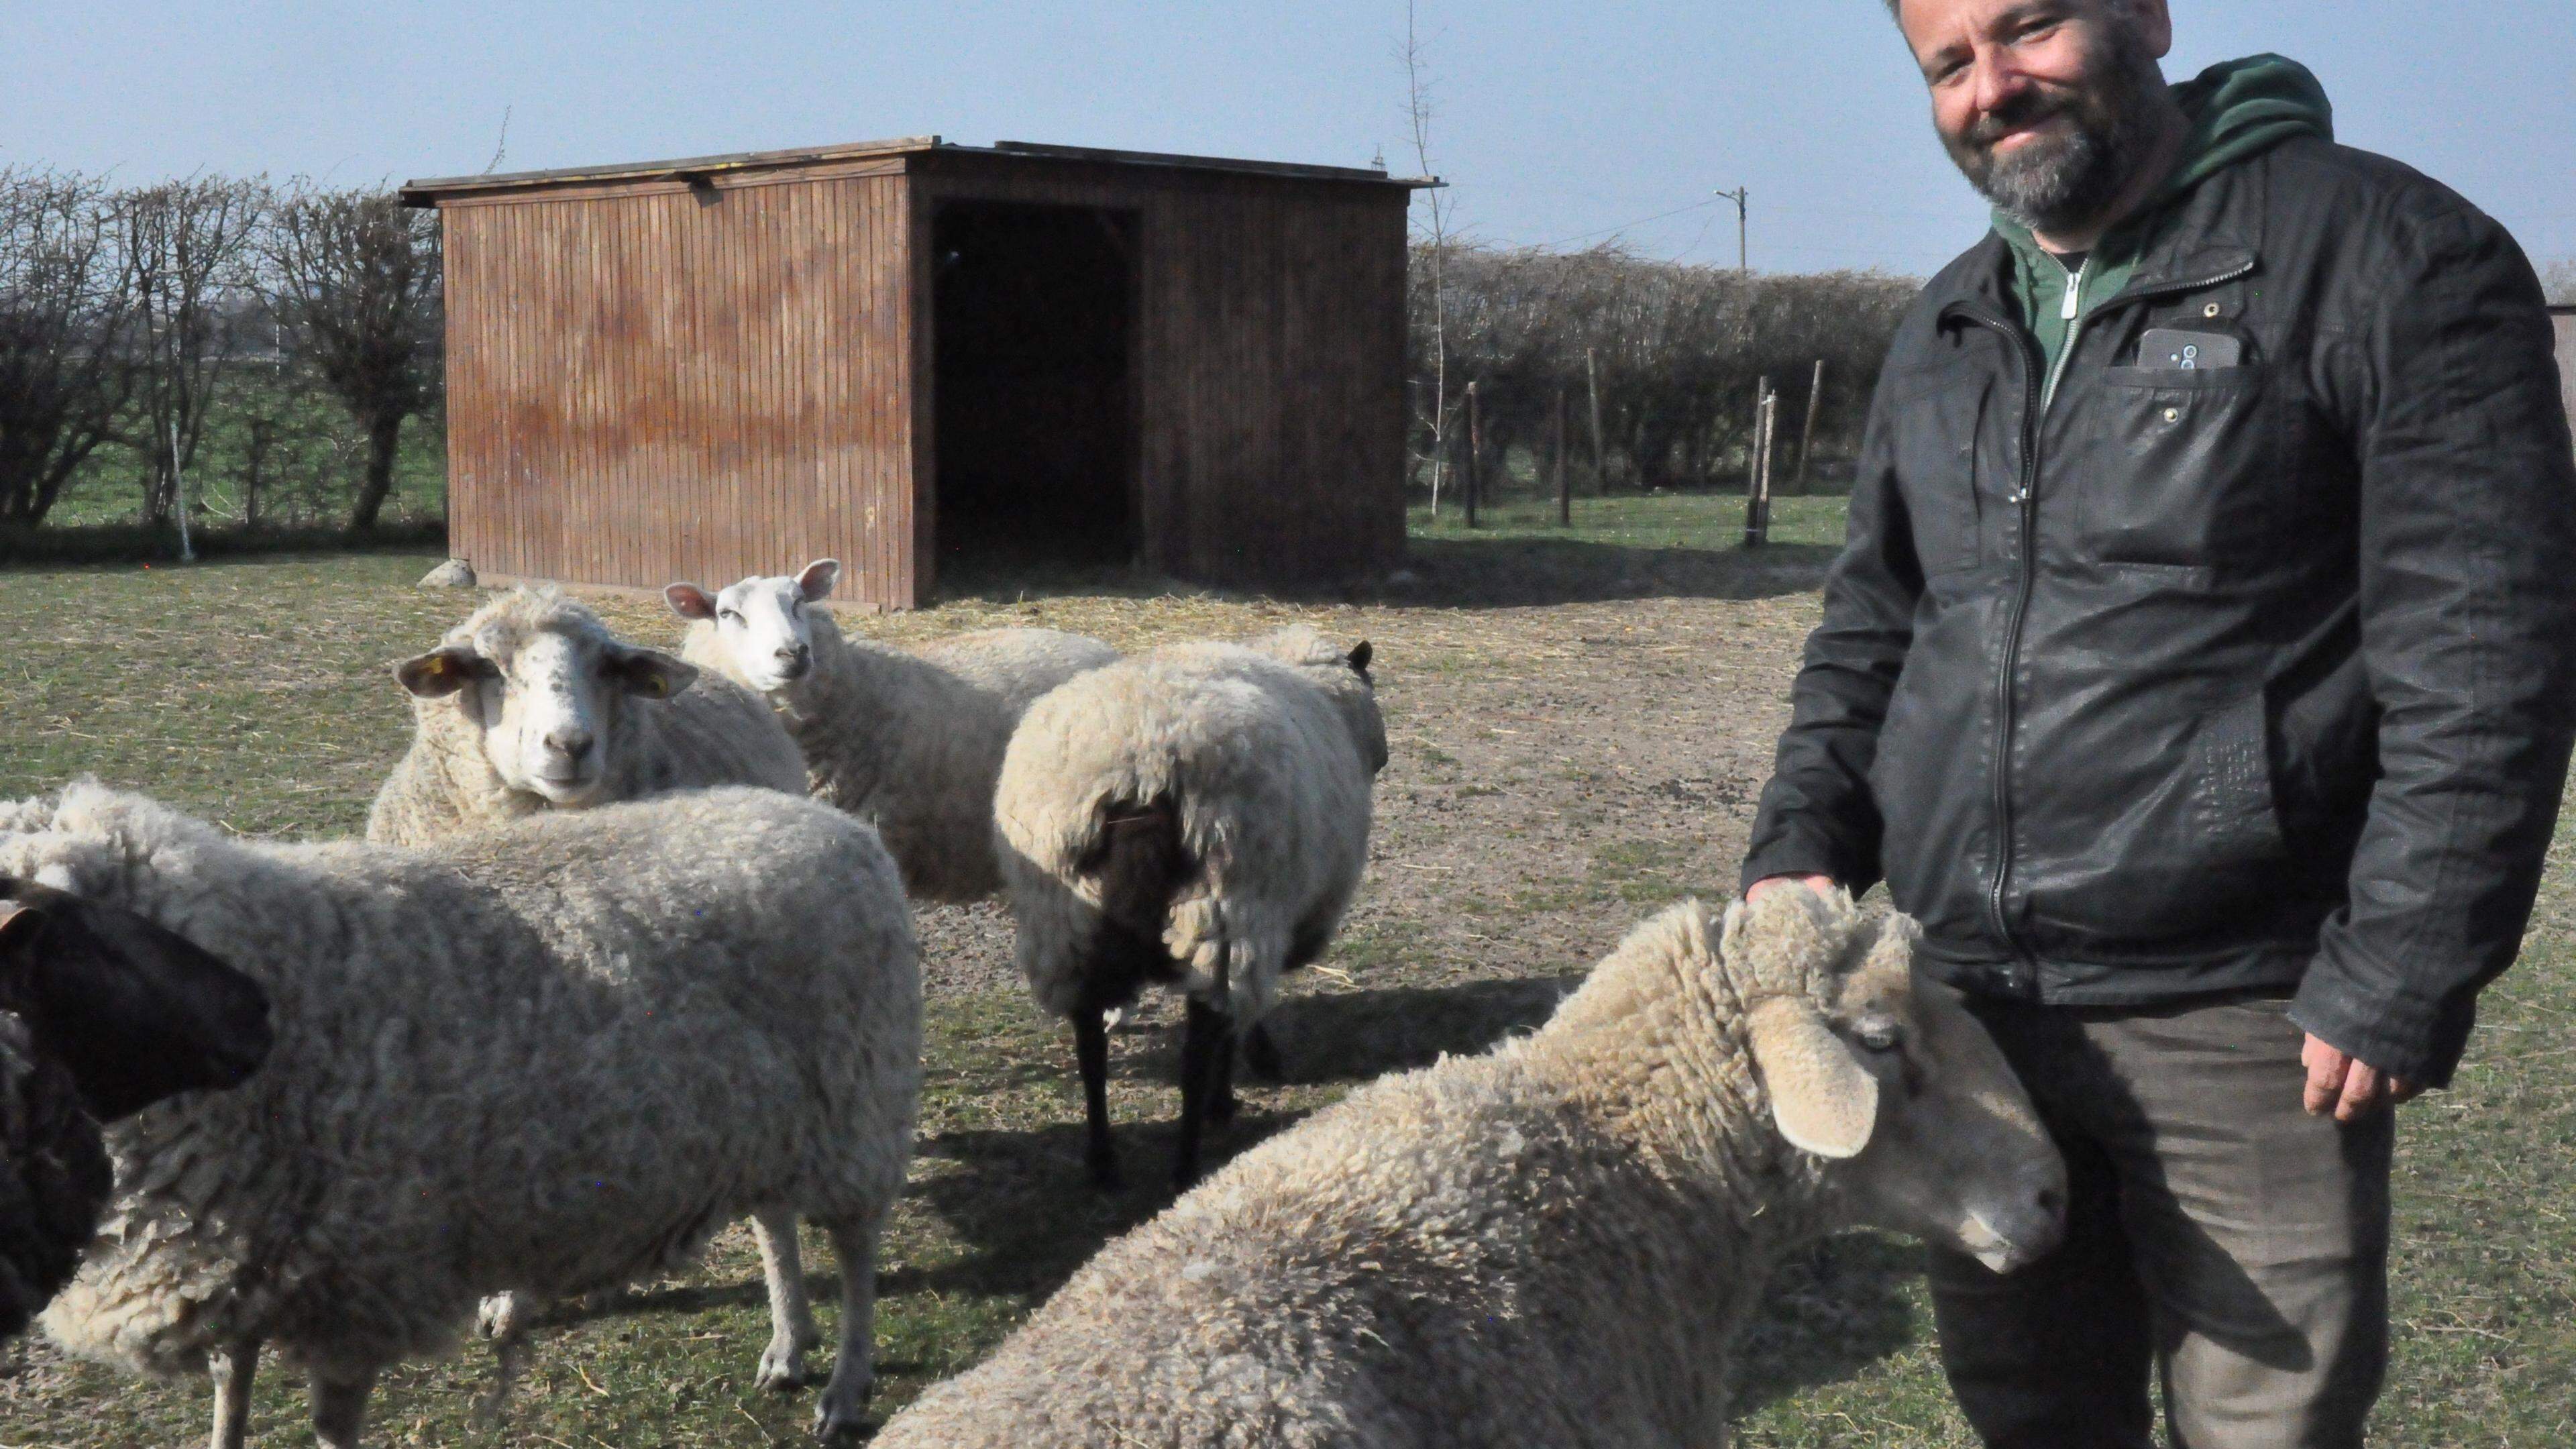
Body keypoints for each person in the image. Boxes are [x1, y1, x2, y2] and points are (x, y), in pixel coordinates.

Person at [1738, 1, 2576, 1444]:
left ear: (2145, 12)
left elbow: (2486, 648)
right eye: (1949, 63)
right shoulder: (1949, 323)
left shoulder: (2384, 256)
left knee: (2267, 1425)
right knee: (2028, 1413)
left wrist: (2408, 962)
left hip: (2245, 1009)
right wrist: (1800, 839)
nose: (1994, 87)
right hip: (1973, 1012)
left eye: (2030, 27)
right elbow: (1878, 624)